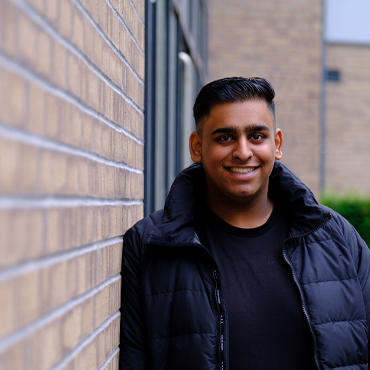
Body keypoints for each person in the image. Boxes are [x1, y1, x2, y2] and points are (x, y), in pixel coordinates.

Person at [119, 77, 370, 370]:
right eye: (225, 137)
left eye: (257, 136)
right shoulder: (150, 244)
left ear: (276, 144)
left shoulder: (335, 236)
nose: (242, 151)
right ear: (197, 147)